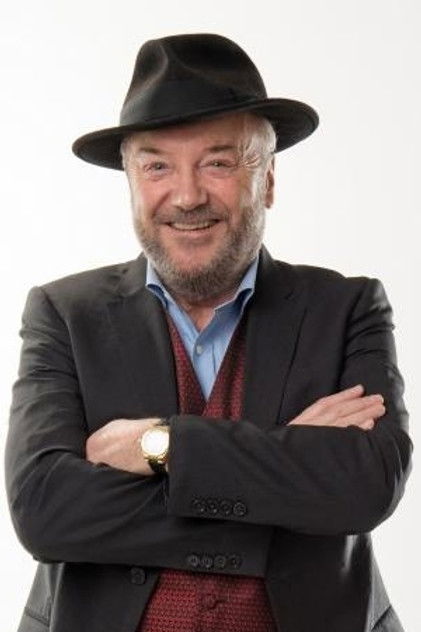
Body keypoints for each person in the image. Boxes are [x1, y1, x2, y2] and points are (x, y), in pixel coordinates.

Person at [5, 33, 412, 632]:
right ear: (131, 182)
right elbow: (45, 511)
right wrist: (287, 468)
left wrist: (161, 445)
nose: (188, 195)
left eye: (218, 162)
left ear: (267, 180)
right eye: (157, 166)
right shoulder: (63, 313)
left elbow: (364, 487)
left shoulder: (347, 306)